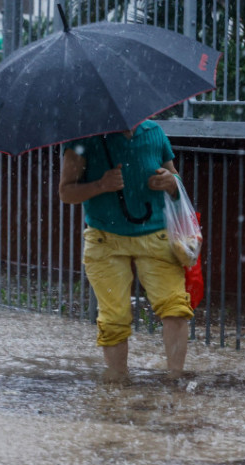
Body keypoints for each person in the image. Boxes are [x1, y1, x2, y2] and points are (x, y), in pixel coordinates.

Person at [58, 120, 192, 382]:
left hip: (156, 236)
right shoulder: (82, 138)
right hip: (104, 241)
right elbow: (66, 192)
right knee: (114, 318)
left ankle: (176, 381)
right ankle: (117, 384)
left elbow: (173, 175)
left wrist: (171, 182)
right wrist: (101, 185)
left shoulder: (154, 133)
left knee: (176, 308)